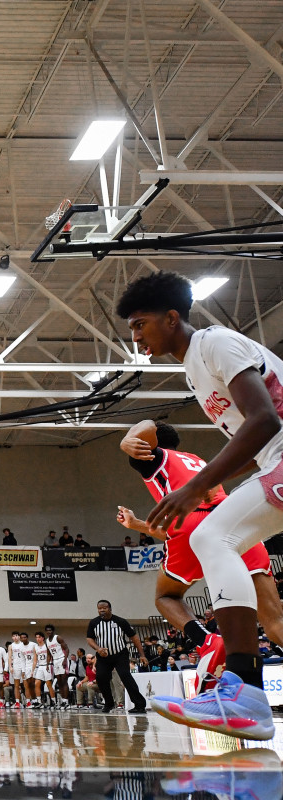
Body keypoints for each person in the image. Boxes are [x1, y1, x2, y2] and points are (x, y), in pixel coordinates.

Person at [118, 271, 283, 740]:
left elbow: (266, 419)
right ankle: (243, 689)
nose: (136, 335)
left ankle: (244, 691)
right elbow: (252, 442)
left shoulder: (216, 344)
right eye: (131, 327)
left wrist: (195, 488)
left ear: (172, 318)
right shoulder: (193, 367)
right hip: (273, 462)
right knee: (215, 538)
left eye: (140, 323)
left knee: (211, 535)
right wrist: (207, 485)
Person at [116, 419, 283, 688]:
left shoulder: (157, 457)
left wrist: (129, 436)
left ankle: (207, 640)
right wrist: (136, 524)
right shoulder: (198, 460)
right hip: (236, 521)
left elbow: (146, 425)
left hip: (192, 524)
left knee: (166, 596)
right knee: (275, 622)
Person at [85, 600, 148, 714]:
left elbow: (134, 638)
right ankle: (109, 703)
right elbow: (89, 639)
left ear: (110, 609)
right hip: (103, 656)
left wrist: (142, 655)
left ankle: (139, 704)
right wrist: (98, 649)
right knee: (101, 678)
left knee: (125, 676)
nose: (102, 610)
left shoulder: (120, 621)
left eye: (104, 607)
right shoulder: (94, 623)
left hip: (120, 654)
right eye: (99, 608)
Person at [44, 624, 71, 708]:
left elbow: (66, 649)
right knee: (59, 682)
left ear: (53, 631)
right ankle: (63, 700)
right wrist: (48, 664)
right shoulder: (47, 641)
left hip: (62, 658)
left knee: (64, 681)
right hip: (55, 661)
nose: (49, 632)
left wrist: (65, 660)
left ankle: (66, 702)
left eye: (50, 630)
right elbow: (48, 653)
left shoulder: (58, 638)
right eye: (47, 630)